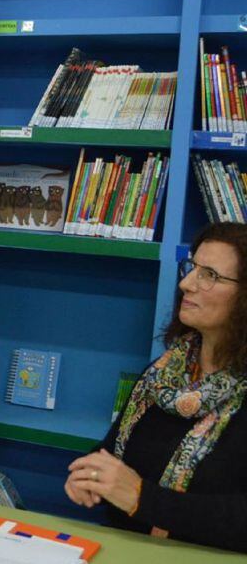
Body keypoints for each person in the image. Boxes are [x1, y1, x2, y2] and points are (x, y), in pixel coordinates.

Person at [65, 223, 247, 553]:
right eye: (192, 268)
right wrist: (90, 473)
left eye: (209, 275)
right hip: (121, 548)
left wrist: (142, 498)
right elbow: (113, 448)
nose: (186, 283)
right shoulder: (166, 370)